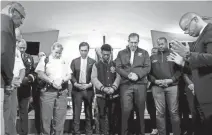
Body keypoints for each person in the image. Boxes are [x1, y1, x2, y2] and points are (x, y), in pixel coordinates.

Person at [167, 12, 212, 135]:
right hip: (202, 96)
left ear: (195, 19)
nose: (186, 32)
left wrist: (187, 54)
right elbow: (200, 68)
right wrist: (183, 63)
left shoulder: (210, 31)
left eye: (186, 28)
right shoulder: (200, 37)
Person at [115, 33, 151, 135]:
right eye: (132, 42)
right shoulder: (121, 53)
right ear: (128, 41)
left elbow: (147, 67)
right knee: (126, 111)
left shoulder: (144, 53)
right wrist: (128, 75)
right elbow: (118, 67)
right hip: (126, 85)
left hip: (140, 84)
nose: (134, 44)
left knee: (140, 111)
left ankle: (141, 133)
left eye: (136, 42)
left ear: (138, 42)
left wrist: (137, 75)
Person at [35, 42, 72, 135]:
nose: (58, 54)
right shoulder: (45, 59)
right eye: (56, 52)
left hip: (61, 92)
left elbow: (70, 75)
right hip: (48, 92)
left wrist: (62, 80)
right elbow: (40, 73)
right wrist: (52, 82)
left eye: (60, 53)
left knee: (60, 120)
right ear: (52, 50)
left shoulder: (64, 60)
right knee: (46, 119)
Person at [148, 37, 181, 135]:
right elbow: (148, 73)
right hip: (157, 87)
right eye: (159, 44)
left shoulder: (174, 54)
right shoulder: (152, 57)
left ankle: (177, 133)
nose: (161, 46)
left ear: (166, 43)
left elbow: (180, 71)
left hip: (172, 86)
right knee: (160, 113)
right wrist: (156, 81)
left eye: (162, 44)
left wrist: (171, 80)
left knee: (174, 112)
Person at [1, 3, 25, 134]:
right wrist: (9, 80)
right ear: (12, 11)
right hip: (5, 83)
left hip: (10, 83)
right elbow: (3, 53)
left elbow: (21, 68)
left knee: (10, 118)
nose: (21, 21)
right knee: (4, 120)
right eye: (21, 17)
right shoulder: (5, 27)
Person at [91, 44, 121, 135]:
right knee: (101, 116)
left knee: (113, 117)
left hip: (114, 95)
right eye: (104, 54)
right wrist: (103, 88)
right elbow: (94, 78)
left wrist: (113, 87)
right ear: (101, 53)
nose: (106, 56)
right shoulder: (96, 65)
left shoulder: (115, 64)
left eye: (108, 54)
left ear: (111, 53)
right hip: (101, 95)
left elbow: (118, 77)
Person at [71, 42, 96, 135]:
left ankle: (88, 132)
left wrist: (89, 85)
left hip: (88, 89)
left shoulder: (93, 62)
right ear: (79, 50)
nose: (83, 52)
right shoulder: (74, 61)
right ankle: (76, 132)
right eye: (82, 50)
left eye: (85, 50)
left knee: (89, 113)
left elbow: (95, 76)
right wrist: (75, 83)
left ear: (88, 51)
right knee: (76, 113)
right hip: (77, 90)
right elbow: (71, 75)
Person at [16, 38, 37, 135]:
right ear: (17, 46)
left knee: (24, 113)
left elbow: (33, 72)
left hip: (25, 89)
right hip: (14, 88)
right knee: (12, 112)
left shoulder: (30, 57)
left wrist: (28, 79)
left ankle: (24, 133)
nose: (22, 50)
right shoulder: (13, 56)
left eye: (24, 48)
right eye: (20, 47)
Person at [4, 47, 25, 135]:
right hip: (3, 86)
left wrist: (19, 80)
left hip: (13, 88)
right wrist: (10, 81)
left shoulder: (16, 51)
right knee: (3, 116)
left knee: (12, 115)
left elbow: (22, 69)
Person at [146, 47, 158, 135]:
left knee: (161, 110)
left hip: (158, 89)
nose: (153, 53)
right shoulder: (148, 62)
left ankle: (162, 128)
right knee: (151, 110)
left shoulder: (160, 63)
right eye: (152, 52)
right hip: (148, 91)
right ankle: (154, 128)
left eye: (155, 52)